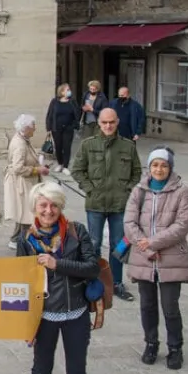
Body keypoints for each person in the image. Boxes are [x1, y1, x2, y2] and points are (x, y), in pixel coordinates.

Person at [17, 182, 100, 374]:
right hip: (44, 317)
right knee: (41, 369)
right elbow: (19, 283)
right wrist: (24, 322)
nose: (49, 211)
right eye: (43, 205)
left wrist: (58, 264)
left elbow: (91, 266)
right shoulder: (26, 240)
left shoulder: (77, 232)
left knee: (76, 371)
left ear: (61, 206)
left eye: (54, 205)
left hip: (75, 312)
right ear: (35, 209)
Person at [124, 148, 188, 370]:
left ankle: (175, 347)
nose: (159, 169)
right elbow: (129, 223)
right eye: (155, 165)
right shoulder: (139, 190)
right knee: (147, 305)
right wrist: (145, 247)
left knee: (170, 306)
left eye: (163, 165)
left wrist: (153, 243)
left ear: (170, 168)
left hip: (171, 257)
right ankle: (151, 343)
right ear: (149, 167)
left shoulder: (182, 192)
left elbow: (182, 226)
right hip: (144, 258)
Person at [71, 108, 142, 302]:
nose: (108, 126)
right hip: (95, 203)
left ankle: (116, 282)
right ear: (99, 123)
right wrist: (90, 189)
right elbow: (77, 170)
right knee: (93, 244)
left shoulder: (127, 146)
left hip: (119, 205)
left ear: (117, 122)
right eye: (104, 122)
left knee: (118, 245)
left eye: (111, 122)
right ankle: (94, 281)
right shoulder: (88, 145)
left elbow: (137, 172)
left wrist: (127, 190)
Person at [5, 114, 49, 250]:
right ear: (26, 128)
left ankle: (19, 238)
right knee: (26, 213)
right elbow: (18, 168)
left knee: (24, 213)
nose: (35, 129)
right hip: (22, 183)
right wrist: (37, 170)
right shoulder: (20, 144)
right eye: (33, 126)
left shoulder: (23, 139)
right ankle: (19, 240)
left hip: (25, 182)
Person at [45, 84, 80, 174]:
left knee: (67, 147)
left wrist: (74, 125)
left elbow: (77, 114)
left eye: (69, 89)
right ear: (62, 91)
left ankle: (65, 166)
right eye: (67, 89)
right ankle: (60, 163)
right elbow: (49, 115)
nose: (69, 91)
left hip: (68, 128)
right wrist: (48, 128)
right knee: (58, 147)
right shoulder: (54, 102)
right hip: (56, 128)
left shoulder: (72, 101)